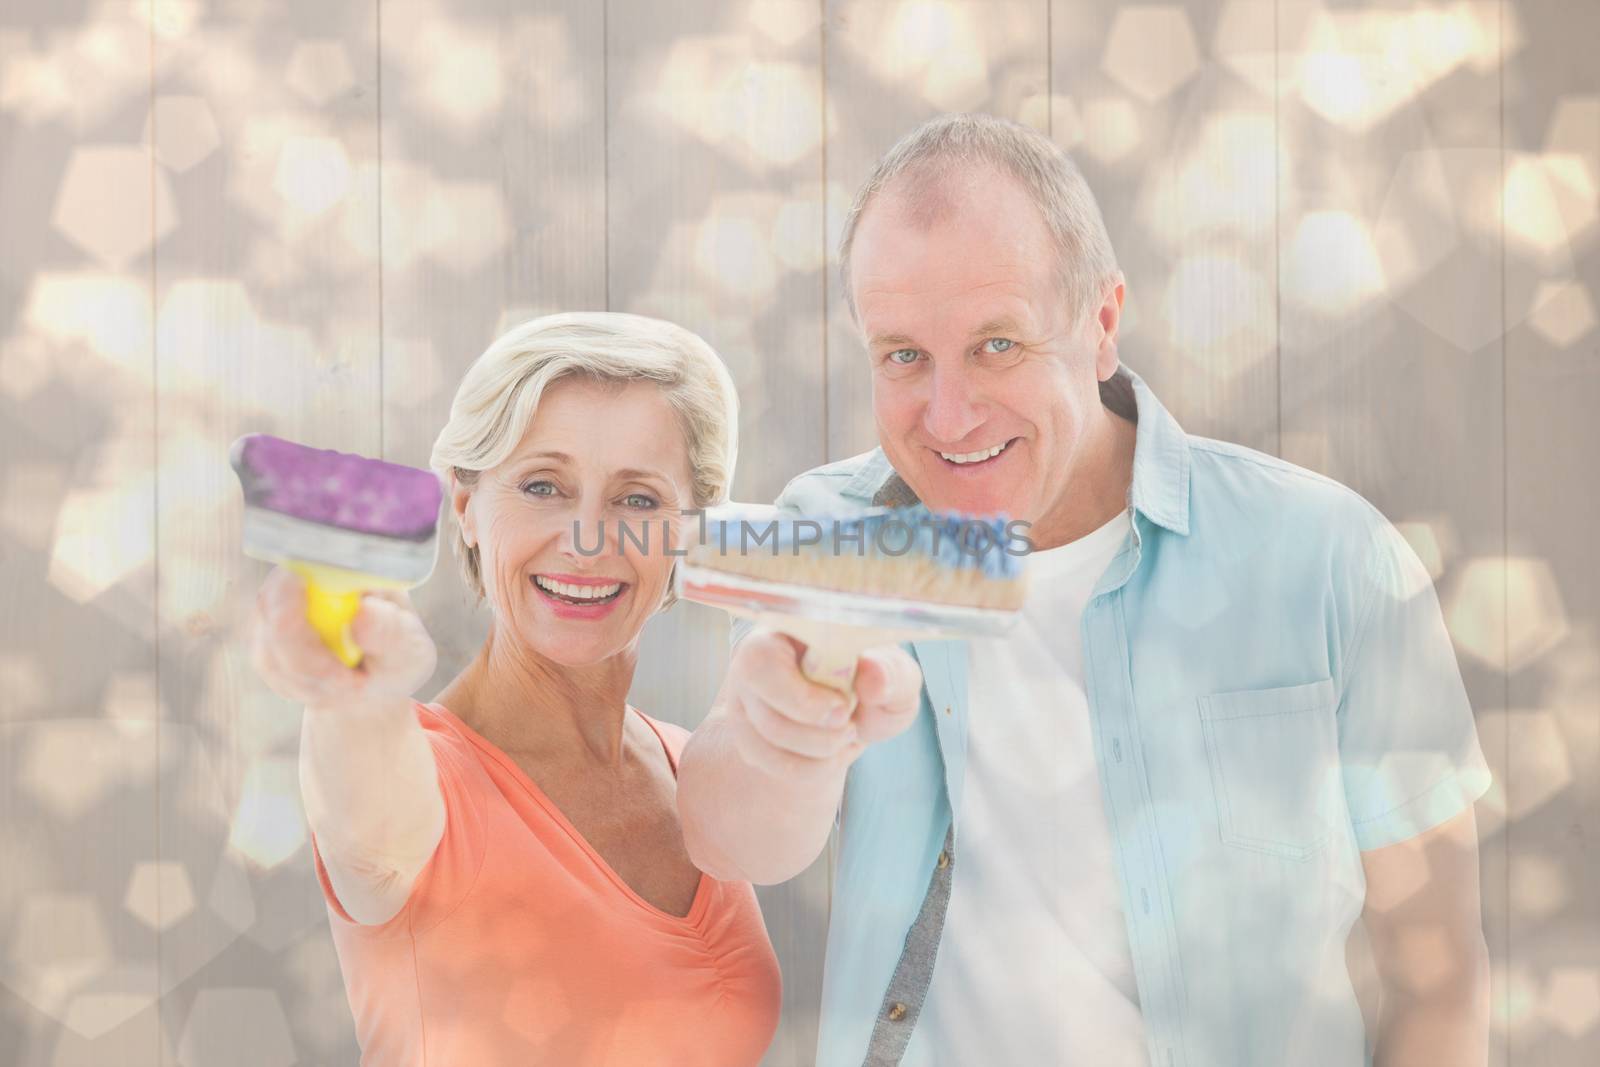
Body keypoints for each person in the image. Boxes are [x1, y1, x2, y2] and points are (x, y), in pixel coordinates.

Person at [676, 114, 1492, 1067]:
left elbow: (1438, 977)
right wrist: (789, 733)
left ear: (1101, 324)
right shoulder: (837, 533)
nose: (948, 414)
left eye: (997, 345)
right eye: (903, 354)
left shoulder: (1328, 560)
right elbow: (736, 841)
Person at [250, 312, 780, 1066]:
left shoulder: (694, 771)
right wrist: (352, 692)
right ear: (465, 505)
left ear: (691, 530)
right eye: (543, 485)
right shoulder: (425, 782)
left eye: (636, 499)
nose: (588, 538)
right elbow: (367, 825)